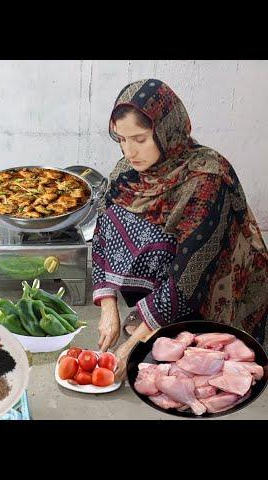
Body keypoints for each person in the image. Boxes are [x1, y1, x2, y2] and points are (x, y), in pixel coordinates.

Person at [92, 79, 268, 381]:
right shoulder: (128, 172)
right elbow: (101, 236)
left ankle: (171, 322)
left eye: (140, 139)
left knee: (191, 363)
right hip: (174, 280)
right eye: (121, 139)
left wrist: (131, 347)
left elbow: (190, 275)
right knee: (116, 215)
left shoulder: (206, 178)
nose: (130, 151)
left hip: (210, 287)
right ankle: (155, 316)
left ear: (166, 130)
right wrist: (107, 307)